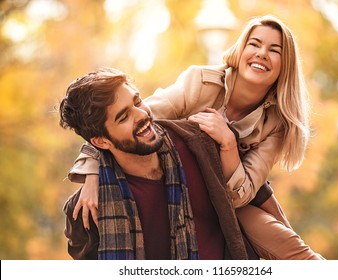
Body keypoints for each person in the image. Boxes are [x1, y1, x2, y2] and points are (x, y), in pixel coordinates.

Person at [67, 15, 324, 259]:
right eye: (254, 44)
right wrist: (91, 176)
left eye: (274, 50)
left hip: (235, 191)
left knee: (295, 250)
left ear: (285, 64)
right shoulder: (201, 82)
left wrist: (229, 145)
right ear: (241, 49)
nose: (261, 54)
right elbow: (135, 120)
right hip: (187, 172)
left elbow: (242, 194)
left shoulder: (280, 123)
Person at [59, 67, 266, 259]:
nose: (141, 115)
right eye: (123, 117)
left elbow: (257, 194)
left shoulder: (197, 142)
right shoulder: (85, 213)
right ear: (100, 141)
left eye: (138, 101)